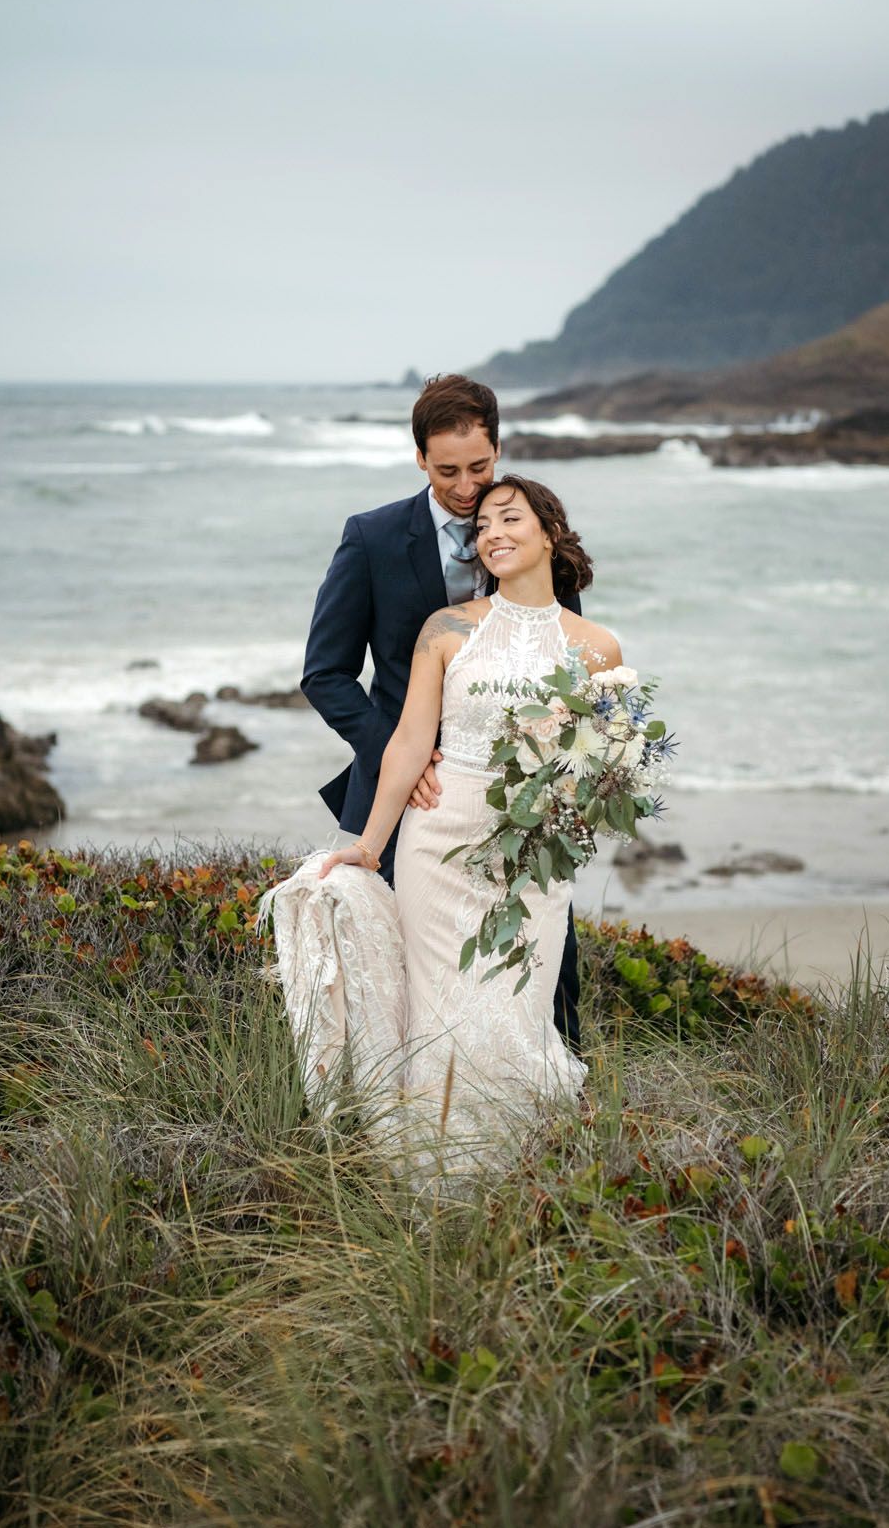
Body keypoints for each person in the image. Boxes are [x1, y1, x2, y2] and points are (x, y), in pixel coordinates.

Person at [265, 475, 623, 1164]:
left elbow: (598, 767)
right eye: (482, 525)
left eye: (509, 519)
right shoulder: (446, 630)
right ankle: (433, 1169)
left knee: (519, 1008)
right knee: (441, 1011)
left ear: (549, 532)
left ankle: (518, 1164)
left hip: (530, 860)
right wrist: (368, 844)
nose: (491, 533)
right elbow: (406, 744)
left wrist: (567, 815)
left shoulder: (597, 648)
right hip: (438, 844)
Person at [300, 374, 585, 1049]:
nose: (465, 486)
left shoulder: (529, 528)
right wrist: (404, 755)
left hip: (517, 788)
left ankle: (564, 1106)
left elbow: (564, 659)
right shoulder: (370, 538)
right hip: (410, 793)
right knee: (404, 967)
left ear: (497, 448)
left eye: (479, 467)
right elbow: (326, 673)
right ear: (419, 458)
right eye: (447, 470)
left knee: (548, 955)